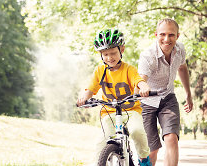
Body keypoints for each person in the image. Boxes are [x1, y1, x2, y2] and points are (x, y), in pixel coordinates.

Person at [76, 28, 152, 166]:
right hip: (109, 113)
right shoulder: (100, 71)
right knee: (101, 142)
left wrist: (144, 87)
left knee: (136, 131)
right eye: (105, 54)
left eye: (113, 53)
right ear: (100, 54)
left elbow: (138, 80)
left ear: (121, 50)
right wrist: (84, 97)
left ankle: (144, 159)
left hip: (131, 110)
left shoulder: (129, 69)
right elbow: (91, 89)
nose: (109, 57)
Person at [138, 18, 193, 166]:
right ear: (156, 35)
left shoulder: (180, 49)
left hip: (168, 98)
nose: (166, 39)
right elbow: (141, 79)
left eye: (171, 35)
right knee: (151, 149)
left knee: (172, 139)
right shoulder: (148, 55)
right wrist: (143, 87)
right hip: (147, 101)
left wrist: (188, 94)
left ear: (177, 36)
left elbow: (182, 68)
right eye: (162, 34)